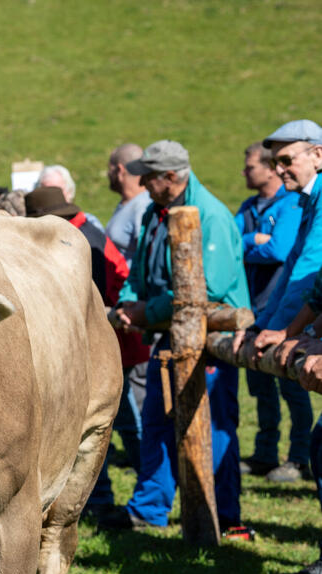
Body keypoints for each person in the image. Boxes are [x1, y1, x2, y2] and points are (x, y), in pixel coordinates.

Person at [104, 140, 251, 533]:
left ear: (171, 177)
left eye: (148, 176)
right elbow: (140, 275)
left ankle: (224, 514)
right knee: (156, 420)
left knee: (215, 426)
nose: (142, 182)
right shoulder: (156, 211)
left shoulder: (212, 216)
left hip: (212, 342)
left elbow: (210, 290)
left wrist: (145, 312)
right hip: (168, 334)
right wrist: (129, 303)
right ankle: (149, 509)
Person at [23, 187, 136, 518]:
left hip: (96, 341)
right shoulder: (81, 234)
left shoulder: (75, 241)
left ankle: (99, 500)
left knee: (97, 423)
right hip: (91, 339)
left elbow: (98, 290)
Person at [234, 140, 310, 481]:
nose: (244, 172)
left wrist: (246, 243)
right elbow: (231, 245)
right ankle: (265, 453)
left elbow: (280, 250)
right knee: (259, 387)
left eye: (250, 166)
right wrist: (254, 241)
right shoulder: (249, 207)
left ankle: (298, 457)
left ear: (267, 168)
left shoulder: (294, 203)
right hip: (256, 313)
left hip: (283, 312)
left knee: (292, 386)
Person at [103, 143, 152, 479]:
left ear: (120, 169)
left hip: (136, 316)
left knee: (140, 398)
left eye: (109, 167)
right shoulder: (128, 206)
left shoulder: (143, 206)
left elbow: (142, 263)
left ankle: (149, 468)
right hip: (124, 309)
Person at [37, 163, 104, 232]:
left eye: (57, 191)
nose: (51, 197)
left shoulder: (89, 223)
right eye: (45, 192)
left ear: (69, 191)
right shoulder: (34, 227)